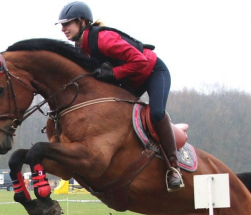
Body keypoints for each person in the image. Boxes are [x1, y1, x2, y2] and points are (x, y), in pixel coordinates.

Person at [57, 1, 183, 192]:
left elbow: (140, 61)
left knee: (156, 113)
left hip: (153, 71)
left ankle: (174, 167)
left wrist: (113, 73)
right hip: (131, 79)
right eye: (62, 25)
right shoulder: (80, 48)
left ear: (82, 22)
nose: (63, 29)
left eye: (67, 24)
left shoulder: (104, 39)